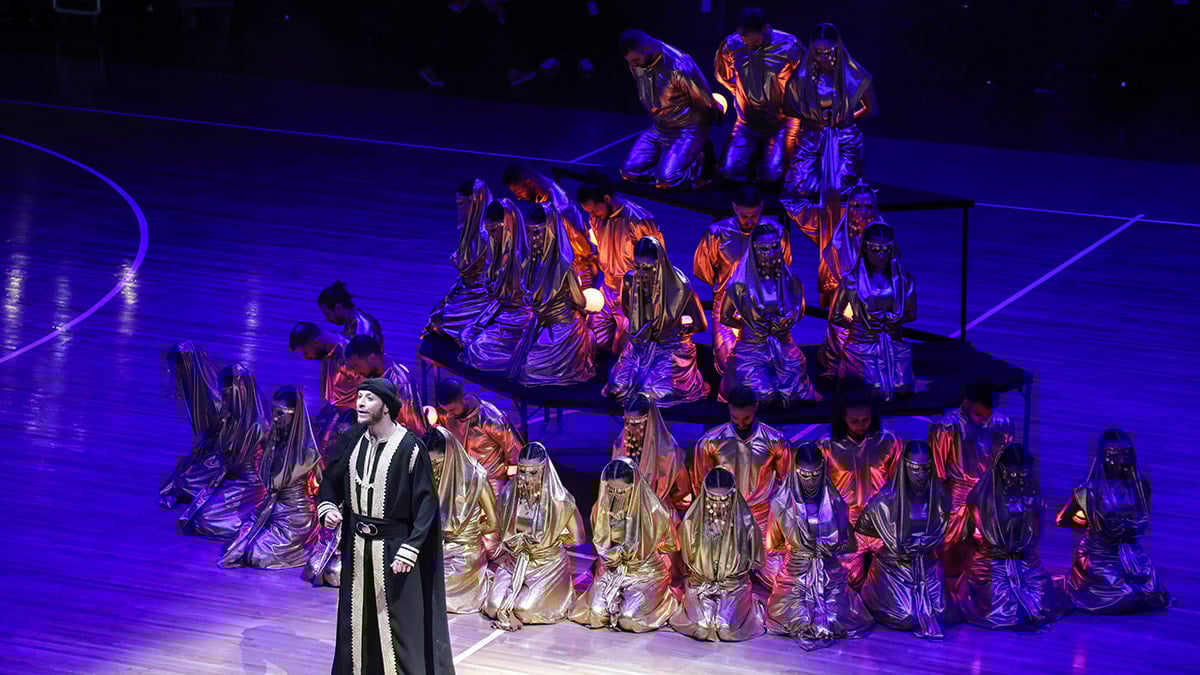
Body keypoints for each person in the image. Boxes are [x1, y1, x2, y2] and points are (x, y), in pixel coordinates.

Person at [316, 378, 454, 674]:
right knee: (357, 622)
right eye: (359, 397)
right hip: (357, 549)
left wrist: (411, 548)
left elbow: (427, 505)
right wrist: (327, 506)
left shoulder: (410, 448)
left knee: (399, 626)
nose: (360, 403)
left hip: (394, 550)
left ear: (387, 407)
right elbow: (330, 482)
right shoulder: (351, 440)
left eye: (369, 398)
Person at [952, 443, 1070, 630]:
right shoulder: (983, 499)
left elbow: (1035, 533)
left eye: (1024, 476)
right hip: (992, 564)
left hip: (1024, 562)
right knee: (1002, 604)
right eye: (1013, 475)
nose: (1018, 481)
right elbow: (976, 534)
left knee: (1042, 598)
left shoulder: (1033, 495)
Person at [767, 443, 873, 650]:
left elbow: (850, 544)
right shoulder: (781, 503)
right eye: (805, 475)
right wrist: (800, 550)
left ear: (823, 470)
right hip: (796, 576)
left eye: (815, 474)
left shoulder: (835, 501)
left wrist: (832, 549)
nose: (811, 480)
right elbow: (772, 546)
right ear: (795, 471)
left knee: (835, 619)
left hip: (829, 575)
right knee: (799, 620)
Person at [1056, 428, 1170, 614]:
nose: (1121, 461)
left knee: (1151, 585)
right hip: (1098, 553)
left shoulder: (1140, 486)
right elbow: (1062, 520)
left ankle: (1136, 596)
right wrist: (1091, 522)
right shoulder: (1088, 489)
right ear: (1102, 456)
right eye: (1113, 456)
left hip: (1130, 551)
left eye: (1126, 454)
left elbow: (1142, 517)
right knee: (1119, 591)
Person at [692, 386, 789, 586]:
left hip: (763, 517)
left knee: (779, 581)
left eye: (746, 418)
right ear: (729, 409)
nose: (740, 423)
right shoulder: (711, 440)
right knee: (715, 578)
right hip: (725, 516)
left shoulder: (775, 440)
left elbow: (787, 482)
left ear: (755, 408)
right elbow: (701, 484)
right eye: (735, 418)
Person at [570, 457, 681, 632]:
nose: (615, 496)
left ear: (634, 487)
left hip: (644, 572)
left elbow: (671, 545)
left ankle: (666, 601)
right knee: (596, 615)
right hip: (611, 569)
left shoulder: (654, 511)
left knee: (630, 620)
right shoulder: (600, 508)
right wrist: (612, 558)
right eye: (611, 490)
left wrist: (645, 551)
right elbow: (600, 544)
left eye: (622, 491)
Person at [484, 442, 586, 631]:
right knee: (493, 608)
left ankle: (554, 595)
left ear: (544, 470)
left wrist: (550, 541)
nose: (526, 478)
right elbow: (502, 529)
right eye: (522, 471)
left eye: (533, 472)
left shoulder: (561, 501)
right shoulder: (508, 494)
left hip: (545, 564)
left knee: (524, 610)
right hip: (514, 561)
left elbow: (578, 538)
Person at [855, 441, 951, 640]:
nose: (921, 475)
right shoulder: (886, 500)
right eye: (915, 469)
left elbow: (942, 528)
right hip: (895, 565)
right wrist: (888, 541)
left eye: (926, 468)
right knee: (905, 617)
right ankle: (875, 597)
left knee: (940, 612)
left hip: (926, 563)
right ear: (904, 467)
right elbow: (863, 526)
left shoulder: (939, 497)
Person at [219, 386, 321, 569]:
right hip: (271, 507)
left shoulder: (308, 451)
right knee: (234, 547)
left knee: (257, 556)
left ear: (295, 415)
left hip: (295, 515)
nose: (274, 418)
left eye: (281, 413)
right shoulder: (273, 440)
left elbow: (323, 482)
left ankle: (306, 549)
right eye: (273, 411)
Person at [693, 186, 791, 375]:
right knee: (730, 361)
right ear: (735, 208)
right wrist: (725, 288)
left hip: (765, 306)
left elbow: (783, 266)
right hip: (726, 303)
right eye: (744, 216)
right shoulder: (717, 233)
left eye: (754, 216)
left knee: (770, 362)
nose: (750, 221)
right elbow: (702, 267)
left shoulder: (776, 233)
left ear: (761, 207)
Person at [719, 221, 819, 406]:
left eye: (775, 247)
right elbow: (724, 317)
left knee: (796, 398)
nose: (771, 253)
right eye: (764, 249)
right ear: (754, 250)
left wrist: (783, 326)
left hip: (783, 344)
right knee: (762, 398)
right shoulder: (739, 284)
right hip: (751, 348)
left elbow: (799, 313)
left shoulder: (791, 281)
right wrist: (750, 328)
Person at [604, 236, 708, 407]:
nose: (641, 273)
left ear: (660, 265)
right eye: (637, 266)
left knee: (652, 393)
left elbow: (701, 324)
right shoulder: (630, 279)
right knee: (617, 388)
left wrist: (677, 326)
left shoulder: (680, 287)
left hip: (670, 347)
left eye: (647, 268)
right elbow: (628, 312)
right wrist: (644, 330)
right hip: (640, 345)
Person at [930, 379, 1016, 578]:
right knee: (950, 546)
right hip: (957, 494)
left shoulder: (1002, 424)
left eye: (987, 415)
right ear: (966, 403)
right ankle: (950, 583)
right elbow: (937, 470)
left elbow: (1005, 463)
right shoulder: (946, 426)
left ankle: (980, 586)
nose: (983, 421)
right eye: (978, 414)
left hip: (988, 492)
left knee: (989, 546)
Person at [818, 387, 902, 589]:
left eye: (866, 419)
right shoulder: (827, 445)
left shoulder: (888, 440)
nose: (861, 425)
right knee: (845, 584)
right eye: (854, 421)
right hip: (845, 524)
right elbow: (820, 489)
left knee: (893, 581)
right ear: (843, 418)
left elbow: (898, 483)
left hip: (882, 522)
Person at [619, 29, 724, 191]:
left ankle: (700, 161)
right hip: (659, 127)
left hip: (687, 128)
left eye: (635, 60)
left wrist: (711, 119)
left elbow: (703, 98)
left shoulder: (678, 64)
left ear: (647, 48)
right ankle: (670, 166)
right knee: (628, 172)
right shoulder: (638, 63)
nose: (633, 65)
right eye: (630, 61)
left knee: (668, 181)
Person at [670, 467, 766, 642]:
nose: (718, 505)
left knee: (727, 630)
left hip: (734, 587)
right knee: (701, 628)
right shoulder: (691, 523)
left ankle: (749, 607)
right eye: (712, 499)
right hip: (700, 586)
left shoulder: (746, 523)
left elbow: (757, 560)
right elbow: (685, 561)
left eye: (724, 499)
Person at [781, 23, 876, 200]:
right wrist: (810, 119)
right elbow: (788, 108)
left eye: (828, 52)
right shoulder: (800, 77)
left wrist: (847, 119)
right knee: (803, 190)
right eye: (817, 52)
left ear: (837, 48)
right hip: (810, 139)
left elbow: (870, 108)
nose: (822, 57)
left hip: (844, 139)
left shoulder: (855, 75)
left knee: (840, 190)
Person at [507, 202, 597, 386]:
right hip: (542, 324)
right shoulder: (532, 261)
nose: (532, 238)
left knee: (531, 369)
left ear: (550, 232)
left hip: (564, 328)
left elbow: (579, 301)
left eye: (537, 232)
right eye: (530, 232)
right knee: (523, 365)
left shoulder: (564, 264)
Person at [178, 364, 270, 539]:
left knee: (206, 520)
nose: (224, 398)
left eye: (228, 393)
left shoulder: (260, 425)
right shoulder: (231, 416)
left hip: (251, 483)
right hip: (232, 476)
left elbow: (270, 459)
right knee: (194, 502)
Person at [714, 7, 804, 185]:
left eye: (754, 42)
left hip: (782, 121)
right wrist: (743, 93)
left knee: (774, 176)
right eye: (745, 41)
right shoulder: (731, 45)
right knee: (729, 172)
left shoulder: (789, 46)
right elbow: (723, 75)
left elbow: (806, 80)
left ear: (765, 29)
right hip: (747, 122)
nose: (749, 46)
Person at [829, 223, 916, 401]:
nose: (881, 255)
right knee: (864, 393)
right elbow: (836, 316)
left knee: (902, 393)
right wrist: (860, 326)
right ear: (865, 248)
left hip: (893, 344)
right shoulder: (851, 281)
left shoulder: (905, 280)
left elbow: (911, 313)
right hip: (860, 347)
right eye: (875, 250)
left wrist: (889, 324)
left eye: (886, 250)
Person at [577, 175, 663, 354]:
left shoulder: (638, 219)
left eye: (595, 210)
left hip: (632, 292)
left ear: (607, 198)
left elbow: (657, 260)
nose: (593, 215)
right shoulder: (597, 218)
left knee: (624, 349)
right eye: (590, 212)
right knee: (590, 340)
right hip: (608, 288)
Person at [424, 426, 498, 614]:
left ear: (451, 457)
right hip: (433, 549)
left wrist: (469, 534)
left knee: (433, 596)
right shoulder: (426, 474)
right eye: (429, 463)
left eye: (438, 463)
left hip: (463, 553)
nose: (434, 470)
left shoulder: (476, 476)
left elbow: (494, 523)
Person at [425, 377, 524, 508]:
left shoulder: (492, 419)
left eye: (452, 410)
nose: (449, 414)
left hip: (492, 483)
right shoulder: (447, 414)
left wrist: (515, 484)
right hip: (464, 483)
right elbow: (431, 421)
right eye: (446, 410)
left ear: (465, 399)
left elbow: (515, 450)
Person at [816, 184, 882, 375]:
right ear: (849, 208)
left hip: (877, 302)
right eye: (857, 206)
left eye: (868, 206)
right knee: (844, 336)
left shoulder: (883, 237)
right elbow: (831, 277)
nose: (863, 211)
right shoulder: (839, 242)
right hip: (849, 302)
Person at [461, 199, 533, 373]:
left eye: (493, 231)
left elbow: (526, 297)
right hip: (500, 309)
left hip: (519, 316)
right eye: (489, 231)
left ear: (506, 227)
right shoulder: (497, 249)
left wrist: (501, 292)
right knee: (464, 336)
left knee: (477, 350)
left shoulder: (525, 257)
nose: (491, 236)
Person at [501, 163, 599, 287]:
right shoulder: (544, 198)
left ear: (529, 182)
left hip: (578, 274)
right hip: (566, 271)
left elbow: (581, 247)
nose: (518, 197)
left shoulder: (560, 207)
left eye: (518, 192)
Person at [425, 179, 495, 347]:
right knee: (435, 316)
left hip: (483, 295)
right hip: (469, 289)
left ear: (475, 203)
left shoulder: (487, 234)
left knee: (440, 322)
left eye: (463, 204)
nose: (459, 209)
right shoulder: (471, 230)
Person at [160, 341, 225, 509]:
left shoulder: (211, 393)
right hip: (216, 442)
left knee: (191, 477)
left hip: (229, 447)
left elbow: (221, 430)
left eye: (177, 369)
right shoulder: (198, 381)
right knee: (186, 470)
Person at [289, 321, 361, 454]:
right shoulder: (328, 349)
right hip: (338, 411)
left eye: (306, 353)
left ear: (316, 342)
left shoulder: (348, 356)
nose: (306, 359)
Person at [611, 394, 692, 513]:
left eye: (636, 423)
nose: (631, 428)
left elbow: (682, 489)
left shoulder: (668, 449)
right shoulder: (621, 443)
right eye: (627, 422)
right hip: (625, 509)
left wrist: (658, 503)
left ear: (650, 420)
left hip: (657, 511)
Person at [345, 335, 426, 434]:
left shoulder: (400, 381)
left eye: (356, 366)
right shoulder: (368, 376)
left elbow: (414, 426)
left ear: (372, 357)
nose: (356, 372)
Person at [318, 280, 384, 349]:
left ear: (338, 308)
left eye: (328, 314)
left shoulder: (363, 328)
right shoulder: (352, 322)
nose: (327, 319)